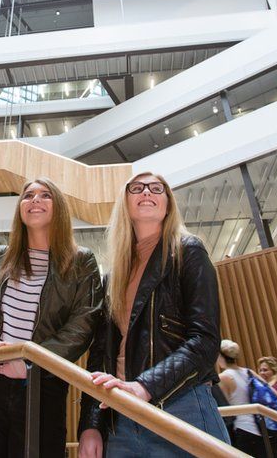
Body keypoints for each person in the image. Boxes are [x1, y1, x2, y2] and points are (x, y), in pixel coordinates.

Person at [79, 172, 231, 457]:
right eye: (136, 188)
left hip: (181, 407)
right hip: (120, 414)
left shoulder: (189, 251)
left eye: (156, 188)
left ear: (168, 204)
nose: (146, 192)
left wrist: (145, 386)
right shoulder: (113, 276)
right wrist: (91, 424)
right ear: (125, 203)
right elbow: (100, 354)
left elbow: (205, 340)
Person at [0, 178, 103, 458]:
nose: (34, 200)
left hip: (42, 388)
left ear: (60, 208)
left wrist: (32, 362)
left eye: (45, 195)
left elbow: (84, 323)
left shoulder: (82, 261)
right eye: (28, 195)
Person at [218, 340, 269, 457]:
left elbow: (225, 409)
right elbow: (274, 395)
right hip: (261, 427)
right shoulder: (249, 372)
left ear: (220, 356)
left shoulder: (224, 377)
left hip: (242, 428)